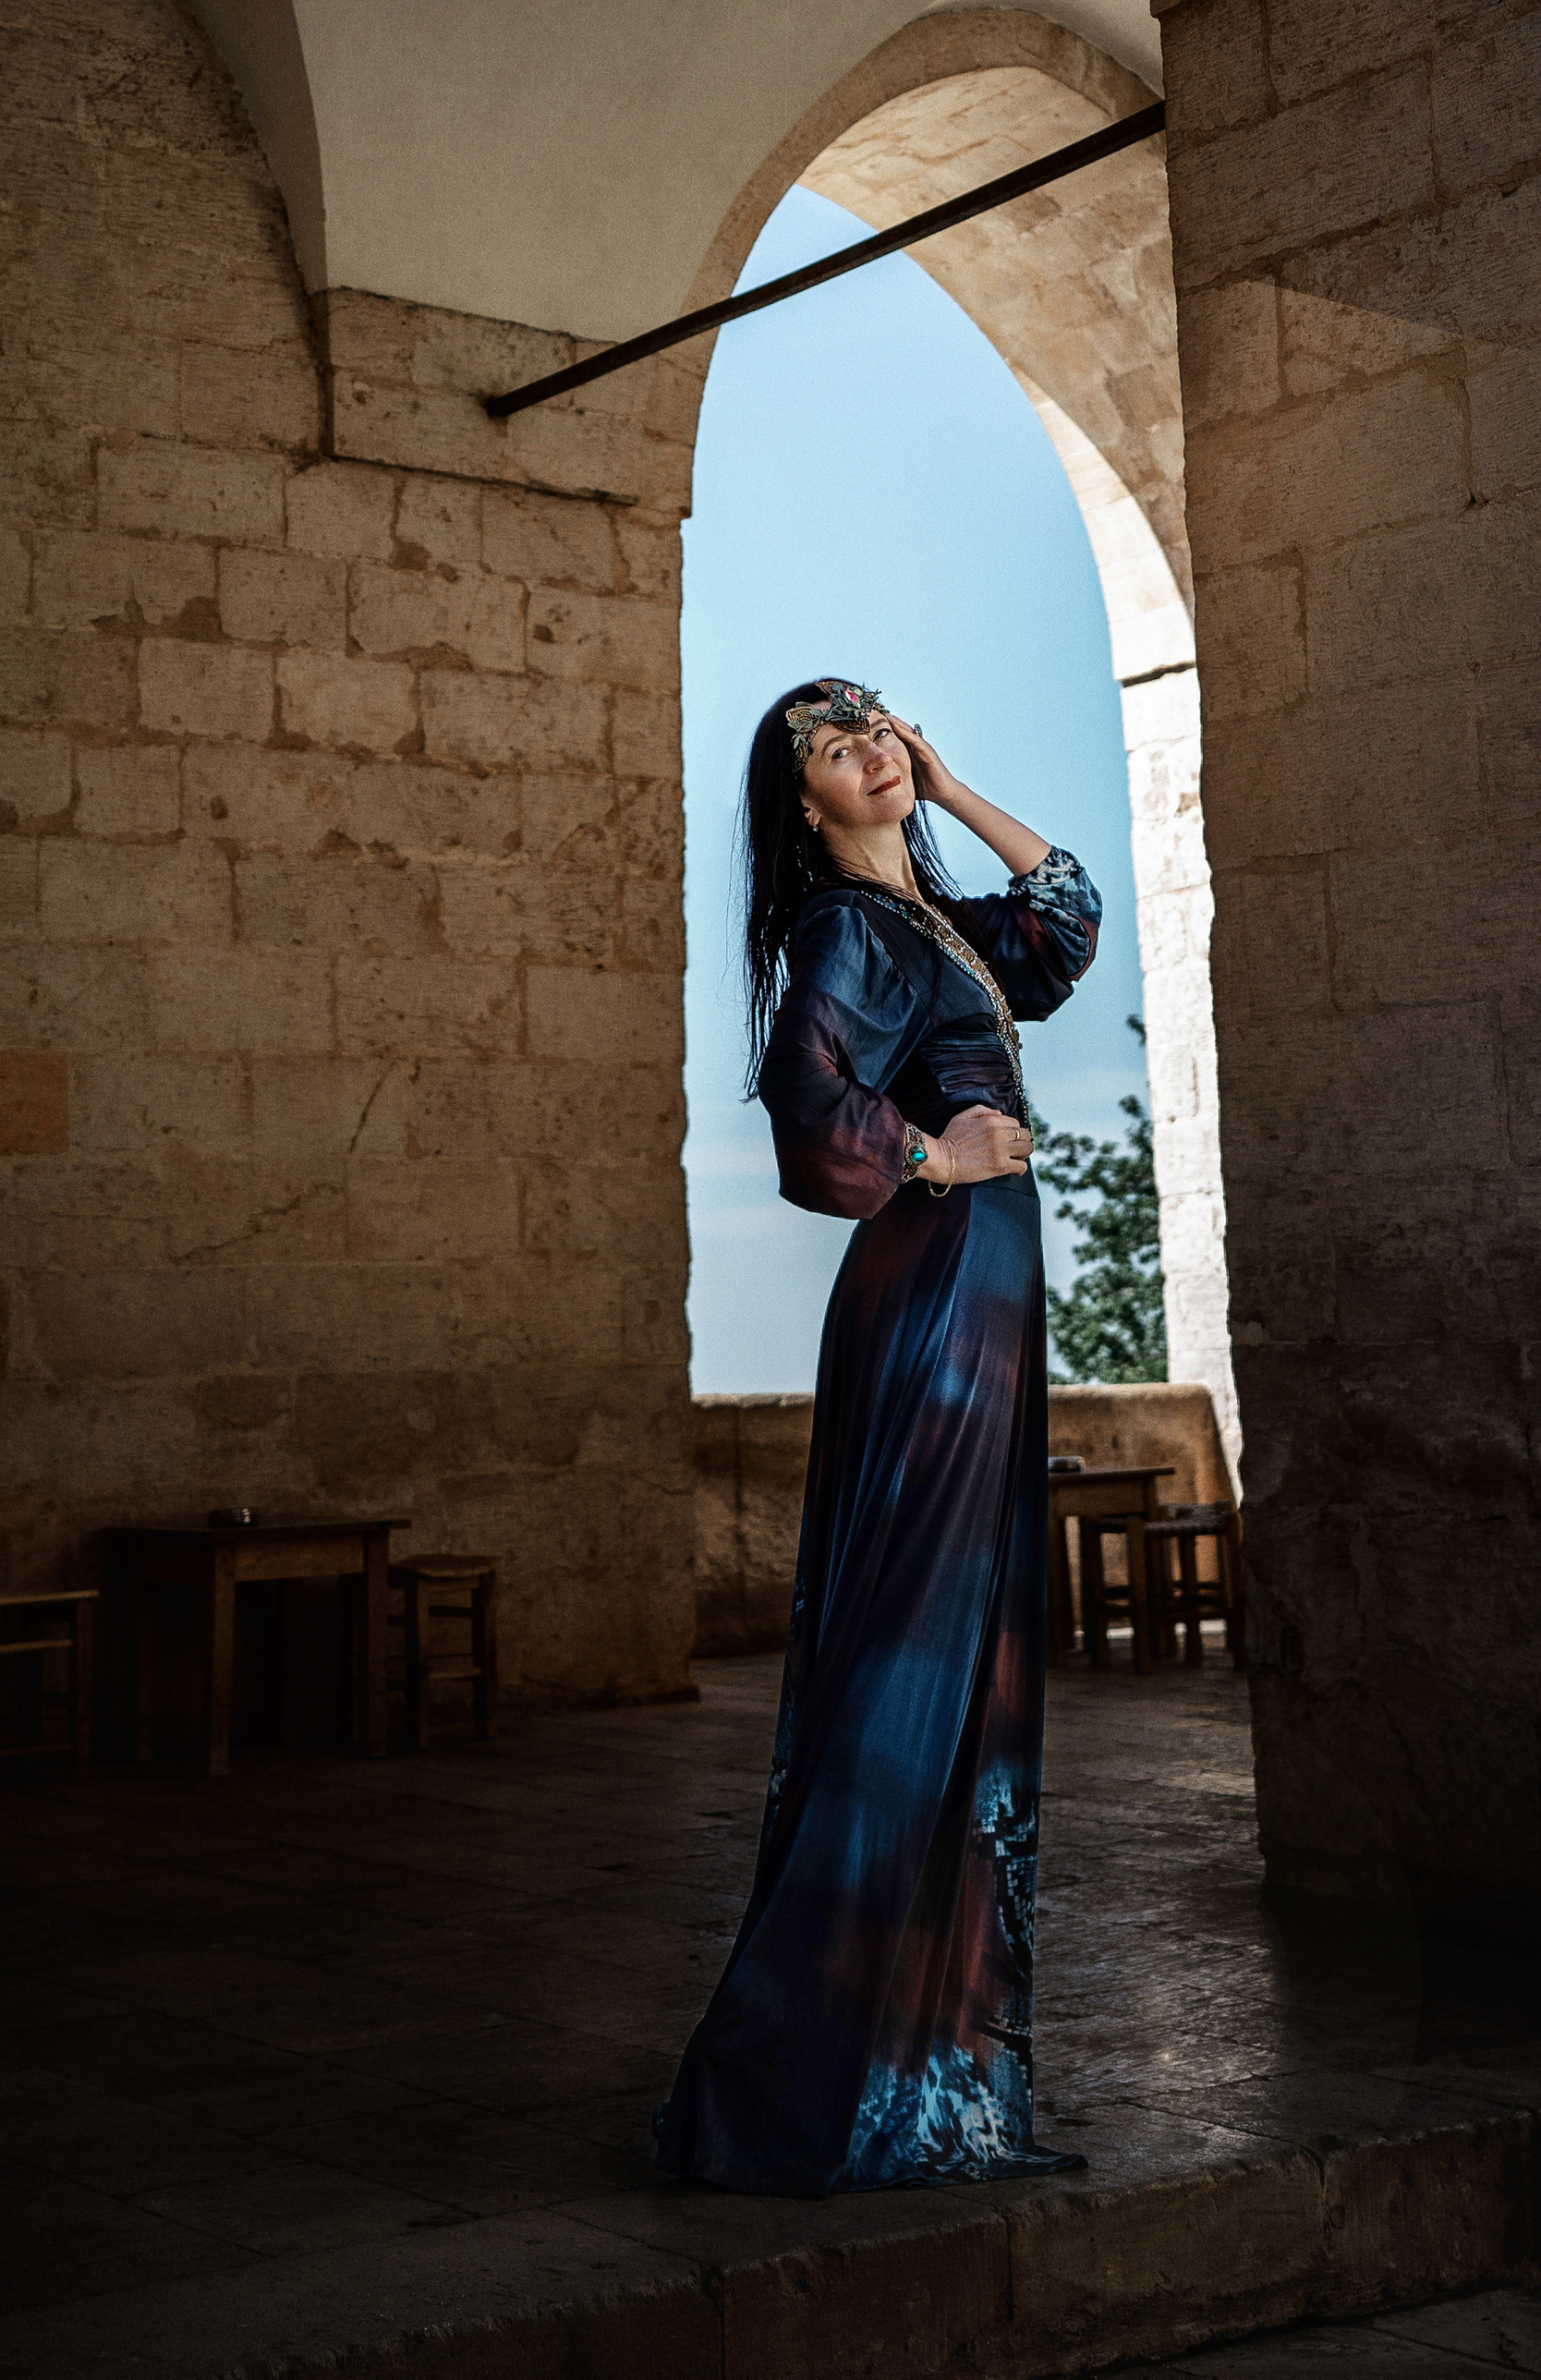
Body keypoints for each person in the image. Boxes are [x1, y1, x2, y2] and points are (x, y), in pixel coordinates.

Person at [653, 675, 1100, 2195]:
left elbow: (1069, 913)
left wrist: (954, 783)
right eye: (833, 742)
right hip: (936, 1291)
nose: (870, 745)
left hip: (977, 1288)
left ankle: (926, 2084)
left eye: (881, 721)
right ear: (803, 801)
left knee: (961, 1651)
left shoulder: (944, 928)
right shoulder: (848, 933)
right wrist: (933, 1151)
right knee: (916, 1650)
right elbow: (804, 1108)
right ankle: (815, 2079)